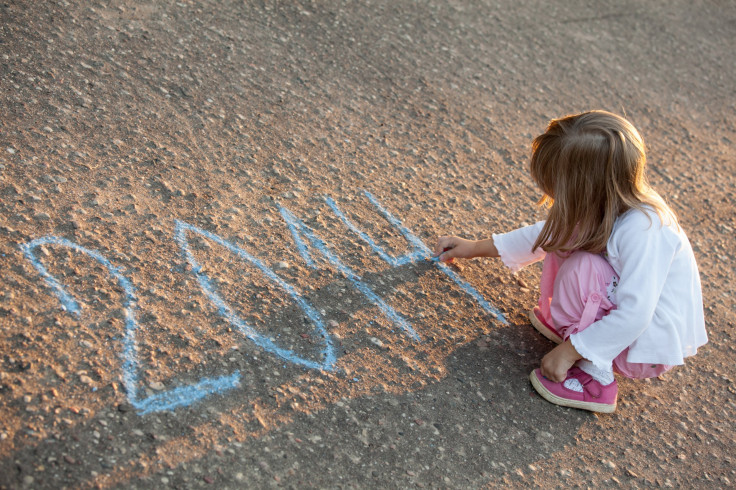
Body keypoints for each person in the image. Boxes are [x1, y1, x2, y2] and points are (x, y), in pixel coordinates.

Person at [433, 110, 707, 413]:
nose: (553, 195)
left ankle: (596, 377)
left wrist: (571, 351)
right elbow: (549, 234)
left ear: (586, 188)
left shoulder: (645, 229)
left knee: (582, 268)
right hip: (632, 319)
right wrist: (474, 247)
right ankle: (575, 328)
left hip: (644, 346)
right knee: (565, 240)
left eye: (560, 189)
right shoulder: (609, 202)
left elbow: (636, 314)